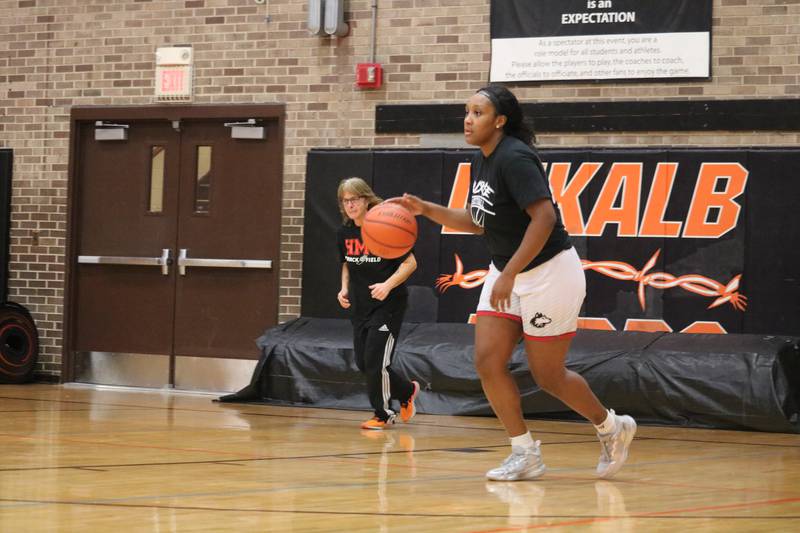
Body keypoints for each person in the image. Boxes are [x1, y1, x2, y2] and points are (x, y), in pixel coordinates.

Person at [393, 84, 636, 480]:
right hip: (507, 271)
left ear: (500, 121)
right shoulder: (483, 160)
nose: (468, 120)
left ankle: (611, 427)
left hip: (549, 273)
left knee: (548, 376)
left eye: (478, 113)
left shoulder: (515, 158)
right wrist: (427, 210)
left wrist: (508, 275)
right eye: (466, 112)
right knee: (488, 361)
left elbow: (545, 219)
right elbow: (477, 220)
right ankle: (524, 453)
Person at [336, 177, 421, 430]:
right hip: (360, 306)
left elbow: (411, 263)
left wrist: (388, 285)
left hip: (388, 305)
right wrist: (343, 288)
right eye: (345, 200)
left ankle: (384, 414)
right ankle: (406, 391)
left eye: (354, 199)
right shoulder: (344, 232)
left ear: (366, 199)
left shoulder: (384, 227)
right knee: (364, 363)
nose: (349, 205)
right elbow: (346, 263)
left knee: (376, 362)